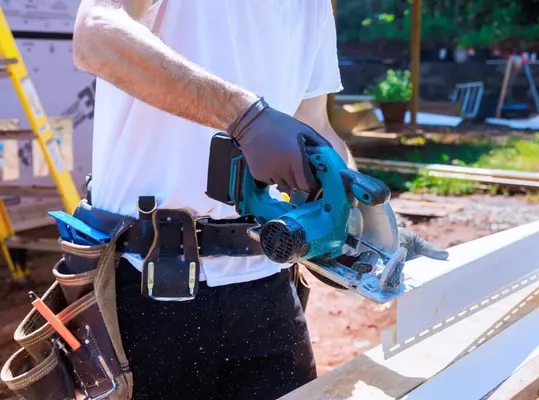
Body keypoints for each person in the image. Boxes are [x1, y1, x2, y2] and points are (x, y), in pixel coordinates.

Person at [72, 1, 449, 399]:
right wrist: (247, 118)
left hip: (267, 281)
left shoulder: (313, 6)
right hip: (149, 283)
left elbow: (314, 125)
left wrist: (365, 226)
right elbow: (94, 35)